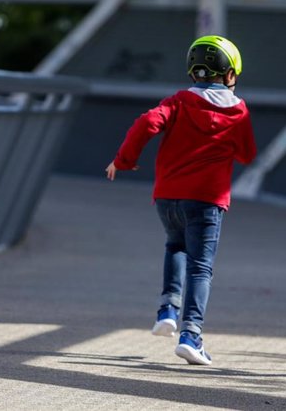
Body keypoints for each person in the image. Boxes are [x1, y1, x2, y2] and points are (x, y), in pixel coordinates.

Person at [105, 35, 256, 365]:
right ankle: (191, 334)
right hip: (206, 200)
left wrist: (124, 160)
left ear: (193, 71)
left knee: (175, 247)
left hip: (168, 196)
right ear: (230, 75)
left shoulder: (177, 102)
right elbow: (246, 155)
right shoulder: (239, 111)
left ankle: (167, 310)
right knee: (201, 267)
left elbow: (147, 122)